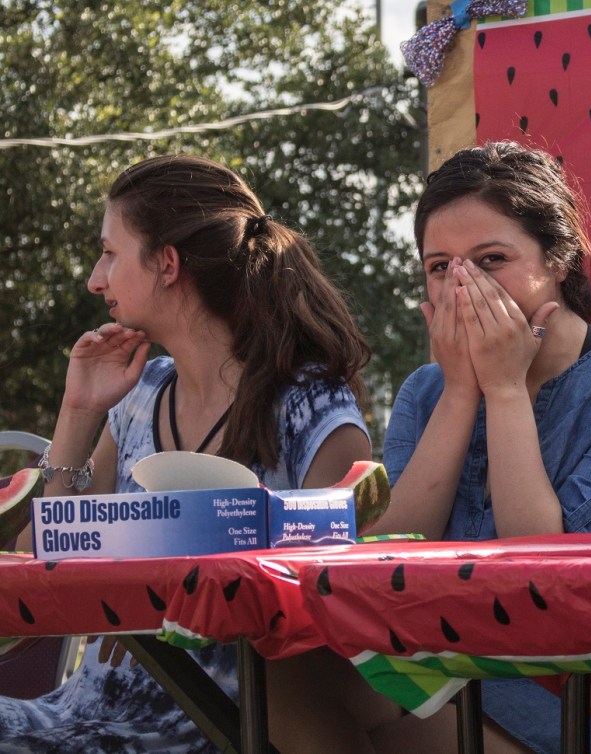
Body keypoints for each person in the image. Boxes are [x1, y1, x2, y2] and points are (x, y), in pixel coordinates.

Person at [0, 153, 376, 752]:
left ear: (167, 264)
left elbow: (331, 608)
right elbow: (40, 553)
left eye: (110, 253)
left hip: (209, 723)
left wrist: (173, 595)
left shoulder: (310, 408)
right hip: (79, 710)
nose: (96, 279)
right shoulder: (141, 395)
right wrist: (77, 413)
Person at [366, 141, 591, 753]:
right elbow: (390, 557)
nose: (462, 285)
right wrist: (458, 393)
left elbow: (549, 572)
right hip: (450, 667)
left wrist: (503, 390)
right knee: (290, 671)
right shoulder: (425, 392)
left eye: (491, 258)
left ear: (560, 259)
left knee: (382, 714)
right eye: (439, 266)